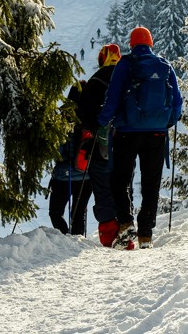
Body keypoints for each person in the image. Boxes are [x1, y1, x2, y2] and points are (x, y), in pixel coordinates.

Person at [97, 27, 182, 249]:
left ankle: (126, 223)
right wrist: (168, 121)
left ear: (132, 43)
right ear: (150, 43)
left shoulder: (125, 64)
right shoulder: (164, 65)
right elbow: (177, 101)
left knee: (120, 179)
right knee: (151, 183)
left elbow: (113, 96)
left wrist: (102, 120)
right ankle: (146, 234)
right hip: (156, 133)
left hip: (127, 132)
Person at [76, 43, 123, 247]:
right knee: (122, 188)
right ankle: (126, 230)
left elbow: (82, 114)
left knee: (103, 190)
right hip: (124, 144)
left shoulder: (95, 81)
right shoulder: (125, 79)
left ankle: (109, 235)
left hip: (99, 146)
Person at [48, 83, 93, 235]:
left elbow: (56, 150)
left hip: (63, 175)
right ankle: (77, 242)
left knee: (55, 212)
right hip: (86, 175)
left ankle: (64, 239)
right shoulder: (92, 116)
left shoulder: (62, 117)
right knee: (78, 214)